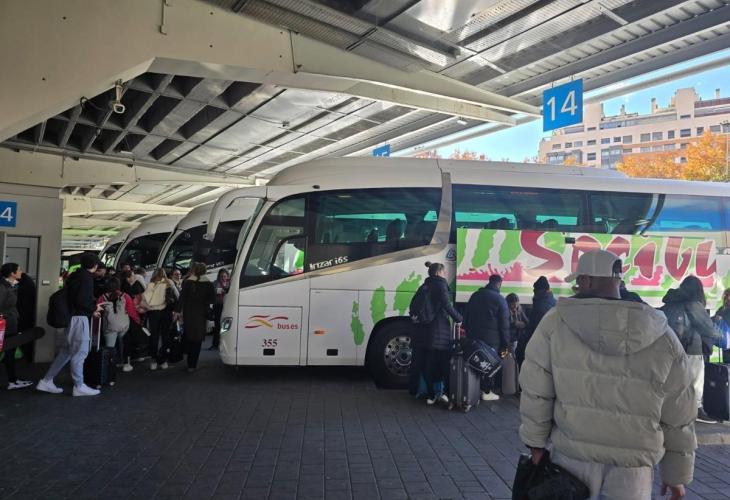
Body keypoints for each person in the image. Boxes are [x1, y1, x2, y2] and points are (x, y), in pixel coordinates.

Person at [520, 250, 696, 499]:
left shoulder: (556, 322)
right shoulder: (661, 334)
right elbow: (680, 411)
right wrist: (677, 474)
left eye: (578, 280)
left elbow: (536, 389)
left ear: (588, 280)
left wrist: (536, 444)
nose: (576, 286)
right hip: (633, 468)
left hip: (572, 460)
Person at [37, 253, 104, 396]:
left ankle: (46, 380)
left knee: (67, 352)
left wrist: (91, 309)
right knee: (80, 352)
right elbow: (81, 301)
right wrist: (94, 308)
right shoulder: (86, 278)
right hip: (79, 319)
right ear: (95, 265)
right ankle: (79, 386)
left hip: (71, 318)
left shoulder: (75, 275)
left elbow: (74, 298)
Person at [662, 276, 721, 424]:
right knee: (695, 382)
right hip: (691, 349)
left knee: (673, 381)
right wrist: (717, 328)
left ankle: (673, 411)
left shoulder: (669, 303)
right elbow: (709, 330)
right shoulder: (694, 305)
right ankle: (696, 410)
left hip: (670, 348)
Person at [420, 261, 462, 405]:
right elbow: (446, 304)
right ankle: (444, 394)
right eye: (444, 272)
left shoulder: (425, 285)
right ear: (438, 272)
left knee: (429, 364)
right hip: (440, 330)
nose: (445, 275)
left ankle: (431, 395)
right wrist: (459, 318)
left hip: (427, 330)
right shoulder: (440, 284)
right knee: (445, 364)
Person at [464, 274, 509, 401]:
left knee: (476, 362)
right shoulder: (500, 299)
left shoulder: (475, 296)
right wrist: (506, 343)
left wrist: (468, 334)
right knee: (491, 364)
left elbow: (466, 316)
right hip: (492, 340)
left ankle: (474, 389)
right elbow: (504, 325)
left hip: (474, 337)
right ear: (499, 284)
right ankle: (486, 391)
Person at [175, 262, 215, 372]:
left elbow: (181, 298)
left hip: (188, 313)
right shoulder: (208, 283)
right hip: (201, 314)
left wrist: (177, 311)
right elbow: (212, 299)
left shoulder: (188, 282)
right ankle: (193, 364)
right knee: (198, 339)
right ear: (205, 271)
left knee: (189, 336)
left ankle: (189, 361)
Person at [0, 263, 33, 390]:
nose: (21, 272)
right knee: (9, 352)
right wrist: (8, 316)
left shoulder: (11, 285)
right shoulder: (3, 287)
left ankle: (12, 380)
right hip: (5, 325)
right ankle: (12, 381)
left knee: (10, 352)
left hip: (10, 324)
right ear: (12, 273)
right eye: (18, 270)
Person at [97, 277, 141, 372]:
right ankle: (126, 363)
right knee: (126, 343)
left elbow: (98, 314)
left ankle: (109, 367)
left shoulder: (102, 298)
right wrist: (137, 320)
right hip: (124, 326)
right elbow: (131, 312)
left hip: (109, 327)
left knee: (110, 348)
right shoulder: (125, 296)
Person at [516, 276, 556, 367]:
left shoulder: (539, 306)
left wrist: (522, 343)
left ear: (541, 290)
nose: (533, 292)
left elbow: (533, 329)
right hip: (549, 346)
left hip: (538, 347)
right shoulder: (554, 302)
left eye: (535, 290)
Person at [142, 268, 175, 370]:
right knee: (165, 336)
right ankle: (163, 360)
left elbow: (144, 301)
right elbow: (177, 296)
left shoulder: (150, 285)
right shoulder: (169, 283)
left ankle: (153, 361)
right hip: (166, 312)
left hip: (153, 313)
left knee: (154, 337)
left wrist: (150, 307)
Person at [209, 269, 230, 351]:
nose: (223, 278)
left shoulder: (230, 282)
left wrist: (224, 289)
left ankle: (225, 345)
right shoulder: (216, 282)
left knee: (226, 326)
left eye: (225, 276)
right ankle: (215, 344)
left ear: (227, 276)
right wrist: (223, 290)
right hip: (218, 306)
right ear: (219, 276)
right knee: (217, 326)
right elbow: (214, 290)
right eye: (221, 276)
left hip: (227, 306)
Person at [714, 288, 730, 363]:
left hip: (725, 341)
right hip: (725, 341)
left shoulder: (721, 309)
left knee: (727, 364)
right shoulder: (722, 309)